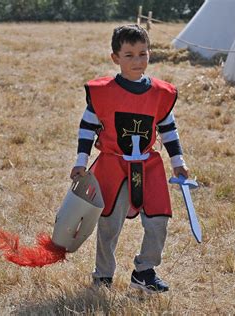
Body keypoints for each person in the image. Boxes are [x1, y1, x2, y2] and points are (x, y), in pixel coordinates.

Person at [70, 24, 189, 294]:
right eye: (129, 55)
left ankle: (145, 271)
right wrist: (81, 160)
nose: (138, 61)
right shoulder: (103, 93)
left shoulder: (160, 93)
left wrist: (178, 160)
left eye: (143, 54)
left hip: (148, 164)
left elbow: (168, 129)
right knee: (110, 222)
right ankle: (103, 275)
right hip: (113, 164)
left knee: (158, 220)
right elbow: (87, 128)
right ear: (115, 58)